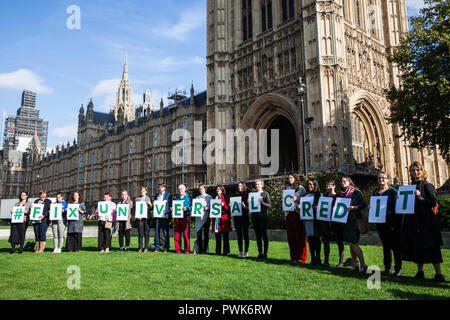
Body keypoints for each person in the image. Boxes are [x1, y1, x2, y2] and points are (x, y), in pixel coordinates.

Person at [401, 161, 445, 282]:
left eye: (417, 170)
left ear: (422, 171)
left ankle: (438, 273)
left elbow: (433, 202)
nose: (415, 172)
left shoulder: (427, 185)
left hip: (427, 220)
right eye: (413, 170)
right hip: (415, 220)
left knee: (432, 246)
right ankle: (420, 271)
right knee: (417, 245)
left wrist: (420, 197)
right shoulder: (410, 187)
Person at [372, 172, 402, 276]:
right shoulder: (376, 192)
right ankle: (387, 268)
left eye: (383, 178)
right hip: (380, 222)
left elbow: (399, 206)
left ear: (387, 180)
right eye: (379, 178)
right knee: (386, 246)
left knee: (395, 246)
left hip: (392, 222)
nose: (381, 180)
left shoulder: (393, 191)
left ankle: (397, 269)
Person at [339, 176, 368, 272]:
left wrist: (354, 207)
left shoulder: (356, 192)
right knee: (351, 244)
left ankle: (363, 265)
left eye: (345, 181)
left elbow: (363, 204)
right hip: (346, 221)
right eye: (341, 181)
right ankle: (354, 264)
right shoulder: (341, 194)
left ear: (349, 182)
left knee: (354, 243)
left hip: (355, 220)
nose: (343, 183)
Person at [320, 180, 345, 267]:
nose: (327, 188)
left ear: (334, 186)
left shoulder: (338, 196)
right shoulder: (324, 197)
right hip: (326, 223)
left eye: (329, 186)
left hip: (336, 223)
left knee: (339, 242)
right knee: (326, 241)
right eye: (326, 186)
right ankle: (326, 261)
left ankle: (341, 262)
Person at [283, 174, 307, 263]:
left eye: (291, 178)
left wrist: (298, 200)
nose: (289, 179)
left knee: (299, 236)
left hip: (298, 214)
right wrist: (284, 200)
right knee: (291, 236)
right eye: (288, 178)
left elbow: (306, 200)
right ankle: (293, 257)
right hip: (289, 213)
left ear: (296, 178)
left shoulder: (301, 189)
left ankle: (302, 257)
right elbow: (286, 202)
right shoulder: (288, 189)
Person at [250, 179, 271, 259]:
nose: (257, 186)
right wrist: (248, 204)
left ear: (262, 185)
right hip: (255, 217)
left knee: (264, 235)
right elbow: (251, 208)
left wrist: (263, 202)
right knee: (258, 236)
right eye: (256, 184)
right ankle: (260, 252)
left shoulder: (265, 194)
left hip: (263, 217)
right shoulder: (253, 194)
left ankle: (265, 253)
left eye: (258, 184)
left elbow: (269, 205)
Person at [304, 179, 322, 265]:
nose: (309, 186)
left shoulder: (318, 195)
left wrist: (317, 207)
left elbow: (322, 207)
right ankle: (313, 258)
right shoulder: (305, 195)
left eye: (311, 184)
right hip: (308, 220)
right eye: (307, 185)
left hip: (316, 220)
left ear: (315, 185)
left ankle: (318, 258)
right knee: (310, 239)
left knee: (317, 239)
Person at [212, 185, 231, 255]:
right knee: (217, 236)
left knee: (225, 236)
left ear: (222, 190)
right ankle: (218, 251)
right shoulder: (215, 198)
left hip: (224, 219)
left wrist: (224, 205)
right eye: (217, 190)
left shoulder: (226, 198)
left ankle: (226, 251)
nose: (218, 191)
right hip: (217, 219)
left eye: (219, 190)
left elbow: (228, 209)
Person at [172, 184, 192, 254]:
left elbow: (192, 206)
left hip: (185, 218)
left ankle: (187, 250)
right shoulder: (177, 198)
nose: (180, 190)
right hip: (177, 218)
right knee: (177, 235)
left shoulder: (189, 197)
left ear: (185, 189)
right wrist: (172, 209)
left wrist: (187, 208)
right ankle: (178, 250)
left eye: (181, 189)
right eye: (179, 189)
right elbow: (175, 207)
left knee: (186, 235)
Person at [153, 183, 172, 253]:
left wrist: (168, 213)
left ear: (164, 188)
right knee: (156, 232)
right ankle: (157, 247)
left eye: (161, 187)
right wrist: (153, 203)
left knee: (165, 232)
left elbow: (170, 205)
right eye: (159, 187)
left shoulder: (168, 195)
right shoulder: (156, 196)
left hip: (164, 216)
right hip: (157, 216)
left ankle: (166, 247)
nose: (160, 189)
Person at [195, 184, 212, 254]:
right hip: (199, 218)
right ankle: (200, 249)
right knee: (199, 234)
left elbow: (212, 206)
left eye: (202, 188)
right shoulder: (197, 198)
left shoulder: (209, 197)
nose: (201, 190)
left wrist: (207, 208)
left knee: (206, 234)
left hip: (206, 217)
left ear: (205, 189)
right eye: (200, 189)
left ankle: (205, 249)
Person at [234, 182, 250, 258]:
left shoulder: (247, 195)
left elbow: (249, 208)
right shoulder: (235, 195)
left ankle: (246, 252)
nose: (239, 187)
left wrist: (245, 207)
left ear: (244, 186)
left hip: (245, 217)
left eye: (241, 186)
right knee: (239, 235)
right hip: (237, 217)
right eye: (238, 186)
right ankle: (240, 252)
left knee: (246, 235)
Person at [135, 187, 152, 253]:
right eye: (141, 191)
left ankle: (146, 247)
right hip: (140, 218)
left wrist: (150, 204)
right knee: (140, 233)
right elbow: (136, 209)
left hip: (146, 218)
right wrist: (138, 216)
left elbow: (151, 209)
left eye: (144, 191)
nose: (142, 192)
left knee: (146, 233)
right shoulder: (137, 199)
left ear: (146, 192)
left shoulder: (148, 198)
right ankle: (140, 247)